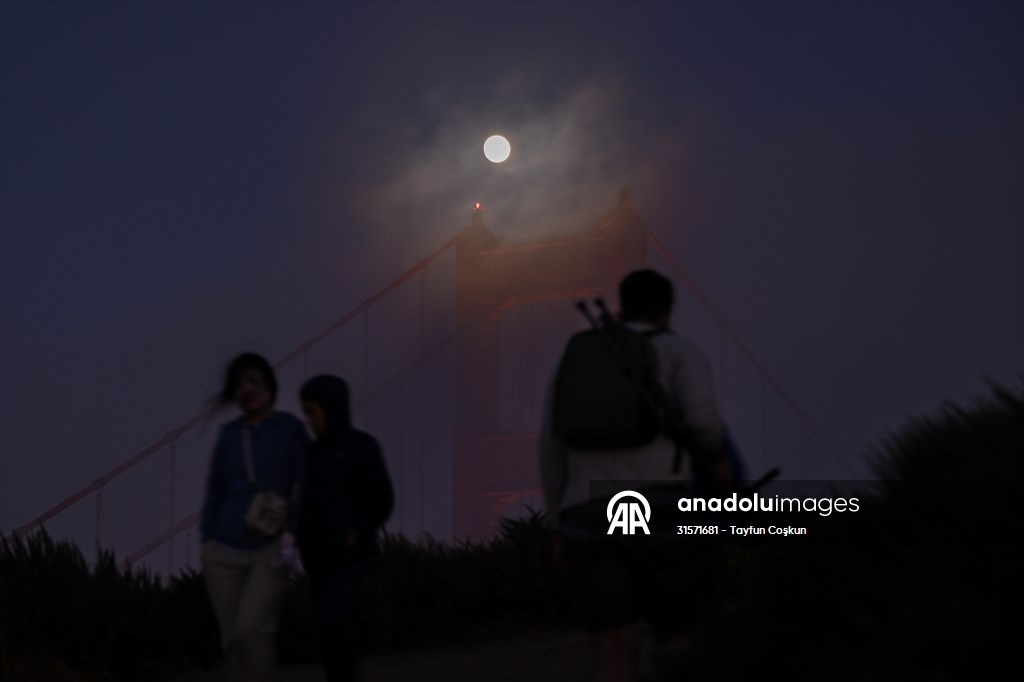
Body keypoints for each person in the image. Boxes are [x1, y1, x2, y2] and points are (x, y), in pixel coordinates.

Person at [539, 269, 732, 682]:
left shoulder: (577, 357)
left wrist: (556, 522)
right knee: (678, 639)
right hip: (662, 503)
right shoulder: (680, 350)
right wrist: (716, 460)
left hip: (586, 511)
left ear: (621, 309)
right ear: (666, 312)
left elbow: (550, 446)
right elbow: (706, 425)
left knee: (612, 647)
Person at [199, 352, 308, 682]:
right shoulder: (229, 434)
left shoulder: (290, 429)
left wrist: (292, 533)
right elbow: (215, 490)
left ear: (269, 383)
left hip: (271, 550)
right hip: (222, 552)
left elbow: (304, 484)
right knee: (233, 641)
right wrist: (207, 540)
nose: (247, 389)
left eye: (254, 380)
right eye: (238, 385)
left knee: (251, 631)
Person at [296, 374, 394, 682]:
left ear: (331, 408)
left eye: (313, 411)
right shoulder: (309, 454)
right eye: (306, 412)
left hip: (352, 557)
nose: (309, 420)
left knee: (331, 621)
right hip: (318, 560)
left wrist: (355, 532)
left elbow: (381, 498)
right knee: (327, 632)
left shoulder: (362, 447)